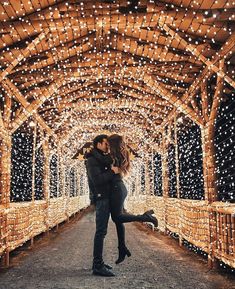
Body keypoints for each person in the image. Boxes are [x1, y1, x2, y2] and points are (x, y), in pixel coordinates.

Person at [108, 134, 158, 264]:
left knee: (117, 218)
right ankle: (122, 249)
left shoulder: (112, 157)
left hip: (117, 189)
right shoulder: (120, 155)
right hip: (119, 188)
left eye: (109, 143)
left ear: (112, 144)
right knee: (119, 220)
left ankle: (146, 217)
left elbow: (112, 172)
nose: (107, 145)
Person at [85, 134, 119, 277]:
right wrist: (111, 172)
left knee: (102, 232)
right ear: (98, 144)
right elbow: (97, 180)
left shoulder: (100, 160)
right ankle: (97, 266)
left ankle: (98, 263)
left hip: (105, 197)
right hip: (101, 198)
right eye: (105, 143)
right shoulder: (92, 161)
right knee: (100, 232)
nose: (107, 146)